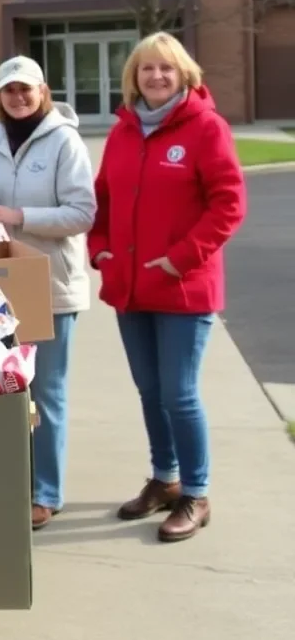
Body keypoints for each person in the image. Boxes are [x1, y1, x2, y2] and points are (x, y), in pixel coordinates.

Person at [89, 32, 245, 543]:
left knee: (179, 394)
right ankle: (165, 478)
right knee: (150, 392)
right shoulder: (123, 133)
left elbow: (228, 205)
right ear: (133, 77)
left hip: (183, 289)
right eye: (146, 69)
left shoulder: (207, 129)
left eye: (167, 69)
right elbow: (104, 201)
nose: (157, 76)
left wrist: (181, 260)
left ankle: (196, 494)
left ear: (185, 76)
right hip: (131, 288)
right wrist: (101, 250)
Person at [0, 56, 95, 530]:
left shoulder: (64, 141)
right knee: (5, 387)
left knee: (46, 393)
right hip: (0, 288)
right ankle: (12, 480)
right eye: (9, 90)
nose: (17, 98)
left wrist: (19, 217)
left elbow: (82, 213)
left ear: (42, 91)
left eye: (25, 90)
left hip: (50, 286)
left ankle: (45, 492)